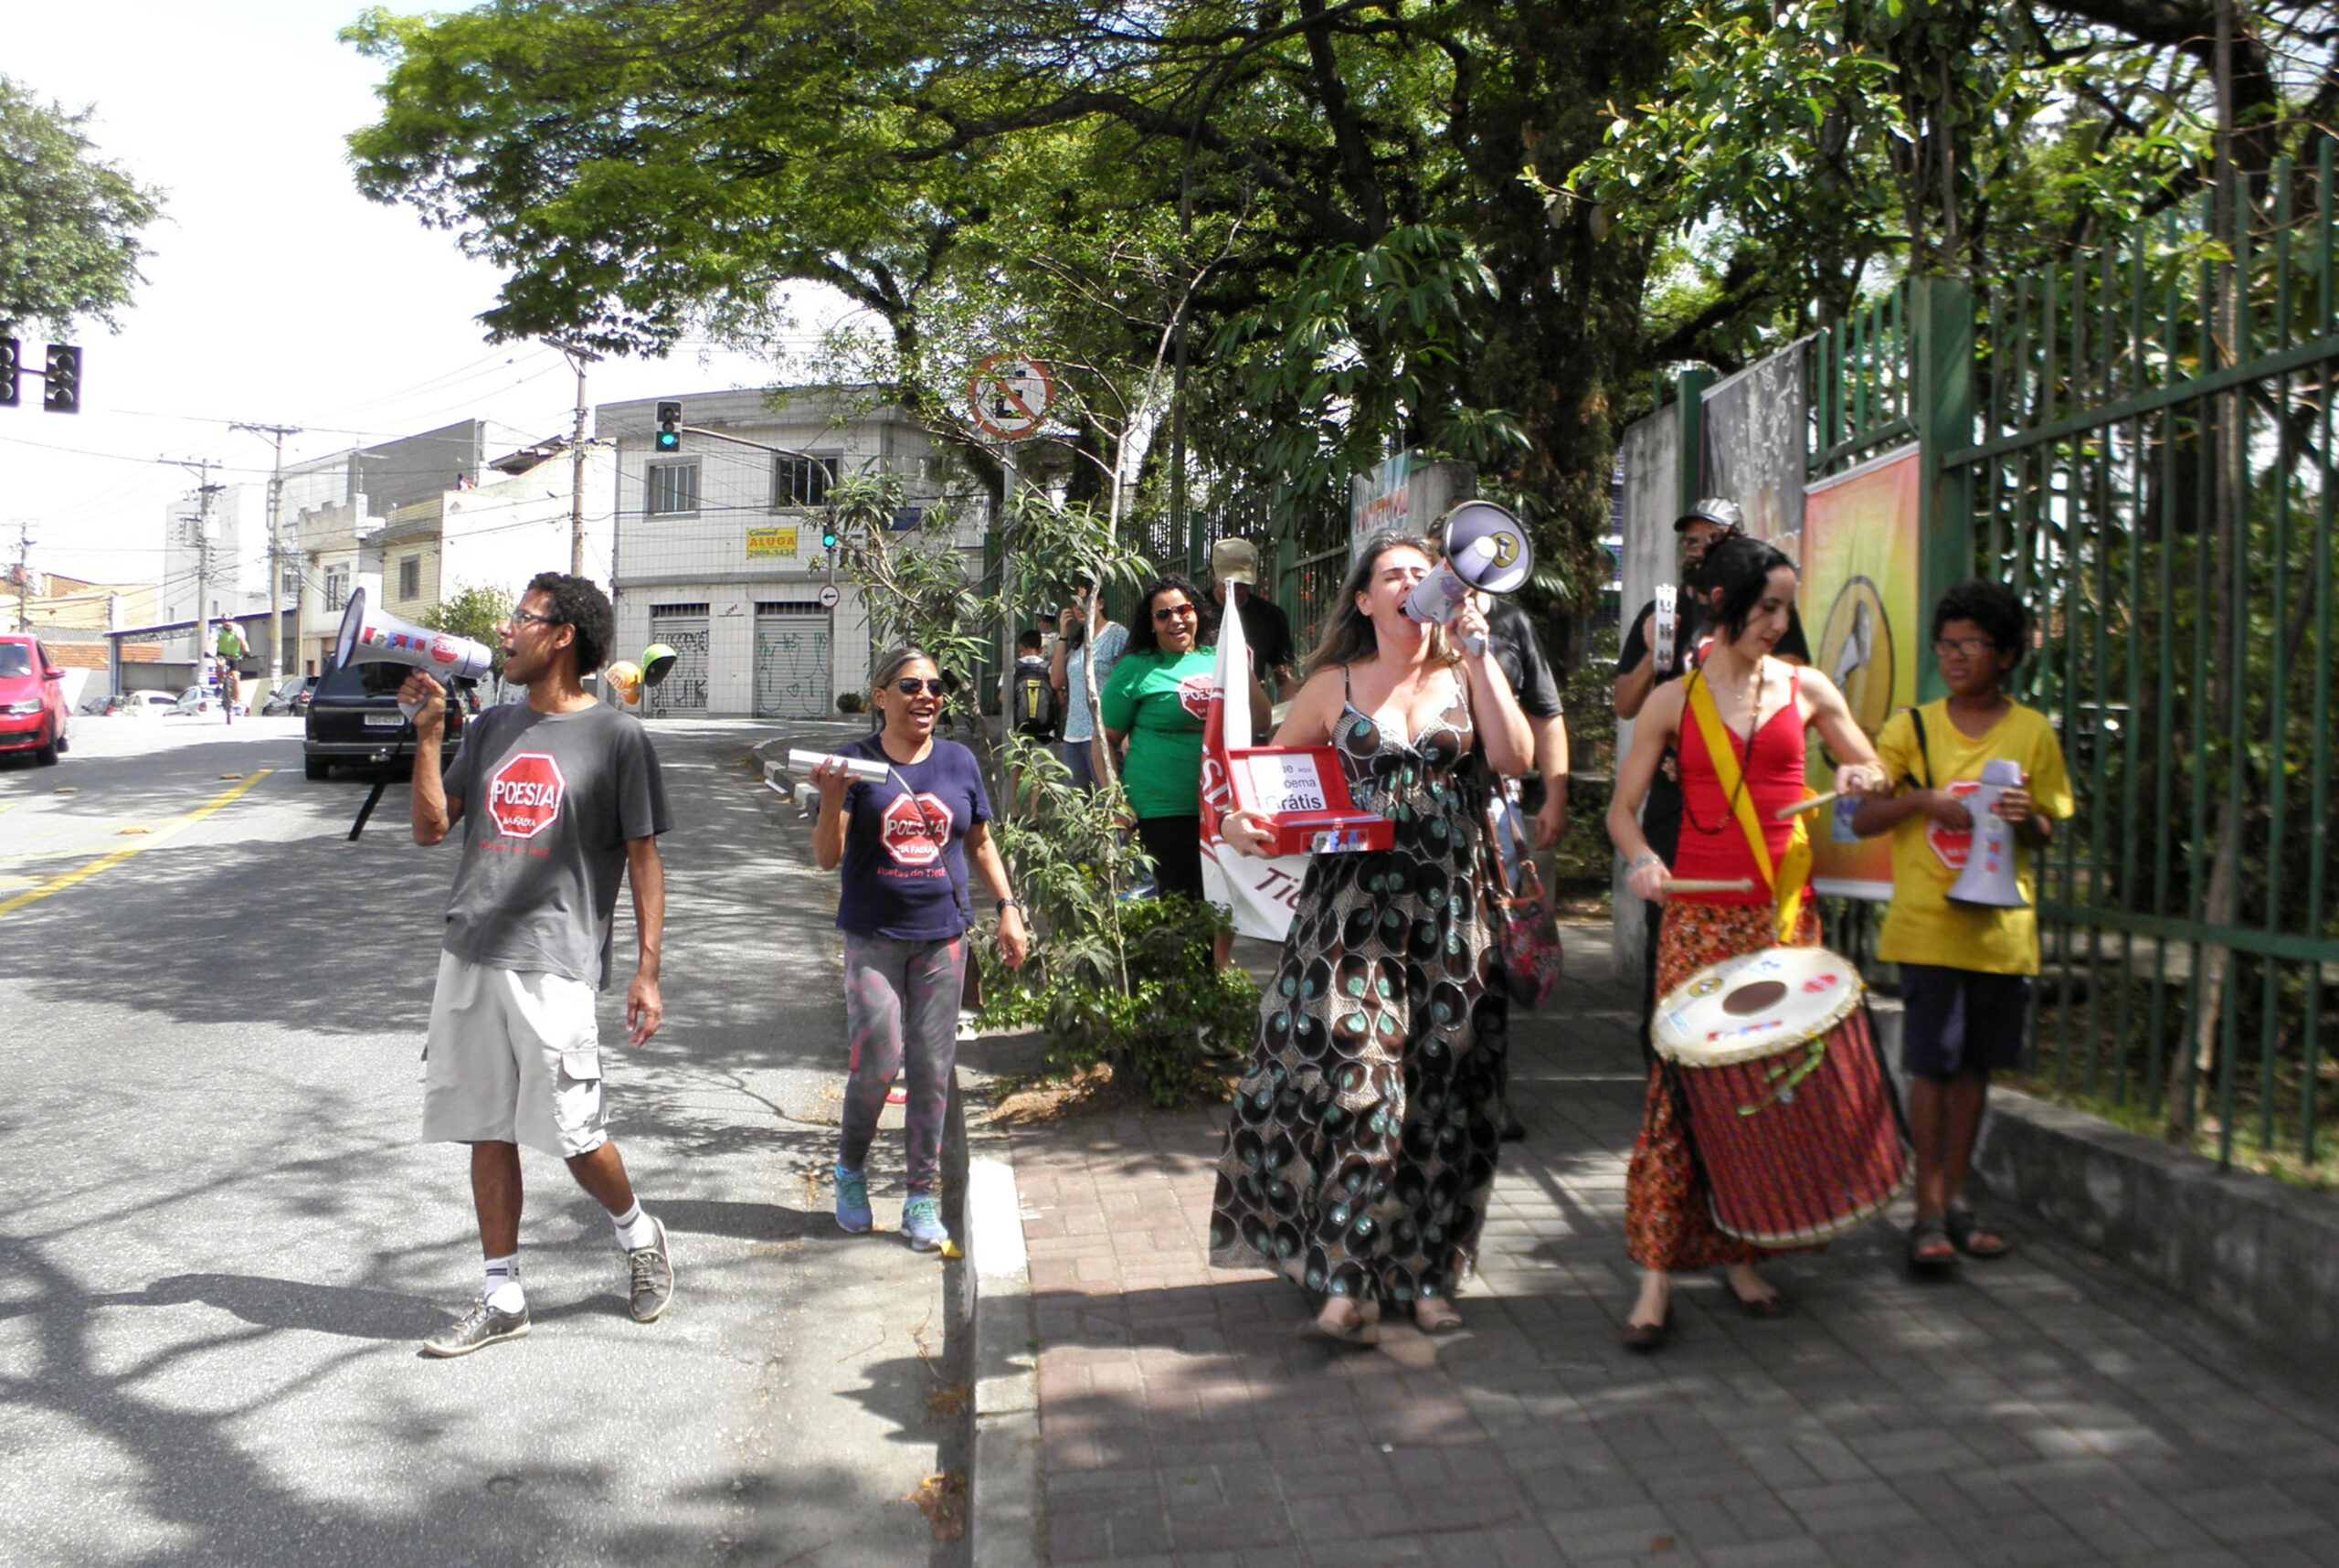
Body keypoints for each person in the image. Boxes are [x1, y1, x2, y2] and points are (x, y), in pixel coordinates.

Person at [1211, 531, 1531, 1342]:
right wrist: (1246, 825)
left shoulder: (1467, 673)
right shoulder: (1332, 686)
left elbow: (1516, 755)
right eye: (1395, 575)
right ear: (1364, 599)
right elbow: (1271, 793)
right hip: (1351, 915)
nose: (1414, 584)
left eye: (1426, 573)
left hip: (1452, 914)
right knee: (1361, 1083)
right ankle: (1348, 1276)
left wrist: (1483, 653)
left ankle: (1425, 1277)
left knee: (1441, 1096)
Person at [1603, 535, 1885, 1350]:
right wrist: (1645, 862)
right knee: (1682, 1092)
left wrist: (1864, 777)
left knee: (1766, 1094)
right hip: (1698, 918)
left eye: (1787, 606)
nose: (1781, 621)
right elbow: (1622, 812)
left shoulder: (1807, 688)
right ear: (1723, 603)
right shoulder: (1672, 700)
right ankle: (1655, 1279)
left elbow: (1864, 768)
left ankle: (1743, 1256)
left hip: (1783, 919)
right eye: (1767, 605)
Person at [403, 572, 674, 1358]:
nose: (507, 629)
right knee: (486, 1128)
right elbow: (430, 829)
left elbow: (645, 860)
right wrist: (428, 734)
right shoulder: (488, 728)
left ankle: (638, 1232)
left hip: (555, 963)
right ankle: (502, 1293)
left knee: (576, 1135)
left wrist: (647, 969)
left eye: (523, 618)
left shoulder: (617, 738)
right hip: (471, 952)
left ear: (564, 638)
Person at [1852, 581, 2072, 1269]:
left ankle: (1957, 1199)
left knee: (1976, 1067)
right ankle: (1925, 1213)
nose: (1953, 656)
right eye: (1946, 644)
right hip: (1927, 928)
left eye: (1970, 645)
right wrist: (1920, 800)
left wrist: (2024, 819)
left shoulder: (2032, 730)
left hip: (2001, 933)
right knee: (1932, 1068)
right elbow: (1860, 819)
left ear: (2006, 656)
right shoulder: (1911, 729)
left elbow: (2048, 829)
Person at [810, 648, 1030, 1248]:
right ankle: (850, 1170)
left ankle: (919, 1198)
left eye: (936, 686)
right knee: (878, 1061)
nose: (926, 695)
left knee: (933, 1071)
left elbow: (981, 844)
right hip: (873, 938)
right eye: (910, 685)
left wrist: (1008, 909)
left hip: (943, 938)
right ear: (880, 696)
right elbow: (828, 857)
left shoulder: (959, 761)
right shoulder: (856, 762)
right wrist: (833, 797)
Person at [1099, 576, 1269, 971]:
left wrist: (1240, 666)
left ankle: (1208, 986)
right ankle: (1174, 997)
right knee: (1175, 907)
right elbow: (1104, 738)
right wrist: (1115, 798)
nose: (1176, 620)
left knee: (1219, 905)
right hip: (1160, 808)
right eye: (1164, 614)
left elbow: (1260, 720)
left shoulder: (1219, 658)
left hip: (1220, 810)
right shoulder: (1136, 669)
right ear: (1151, 623)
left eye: (1184, 610)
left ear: (1197, 612)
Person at [1048, 590, 1127, 790]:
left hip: (1103, 735)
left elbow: (1125, 684)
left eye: (1085, 601)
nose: (1078, 607)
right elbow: (1056, 681)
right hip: (1073, 736)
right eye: (1074, 603)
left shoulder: (1116, 634)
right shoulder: (1078, 643)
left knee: (1107, 804)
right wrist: (1063, 636)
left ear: (1100, 604)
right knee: (1079, 809)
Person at [1210, 538, 1297, 700]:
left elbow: (1285, 678)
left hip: (1249, 711)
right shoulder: (1194, 613)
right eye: (1228, 583)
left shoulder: (1271, 617)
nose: (1235, 589)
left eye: (1242, 584)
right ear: (1213, 575)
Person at [215, 620, 247, 723]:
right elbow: (211, 640)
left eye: (229, 621)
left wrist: (247, 651)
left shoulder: (238, 629)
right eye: (225, 622)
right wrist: (206, 650)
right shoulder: (218, 630)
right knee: (220, 664)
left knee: (236, 678)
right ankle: (219, 684)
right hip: (222, 654)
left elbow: (242, 641)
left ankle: (237, 702)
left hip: (235, 656)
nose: (227, 624)